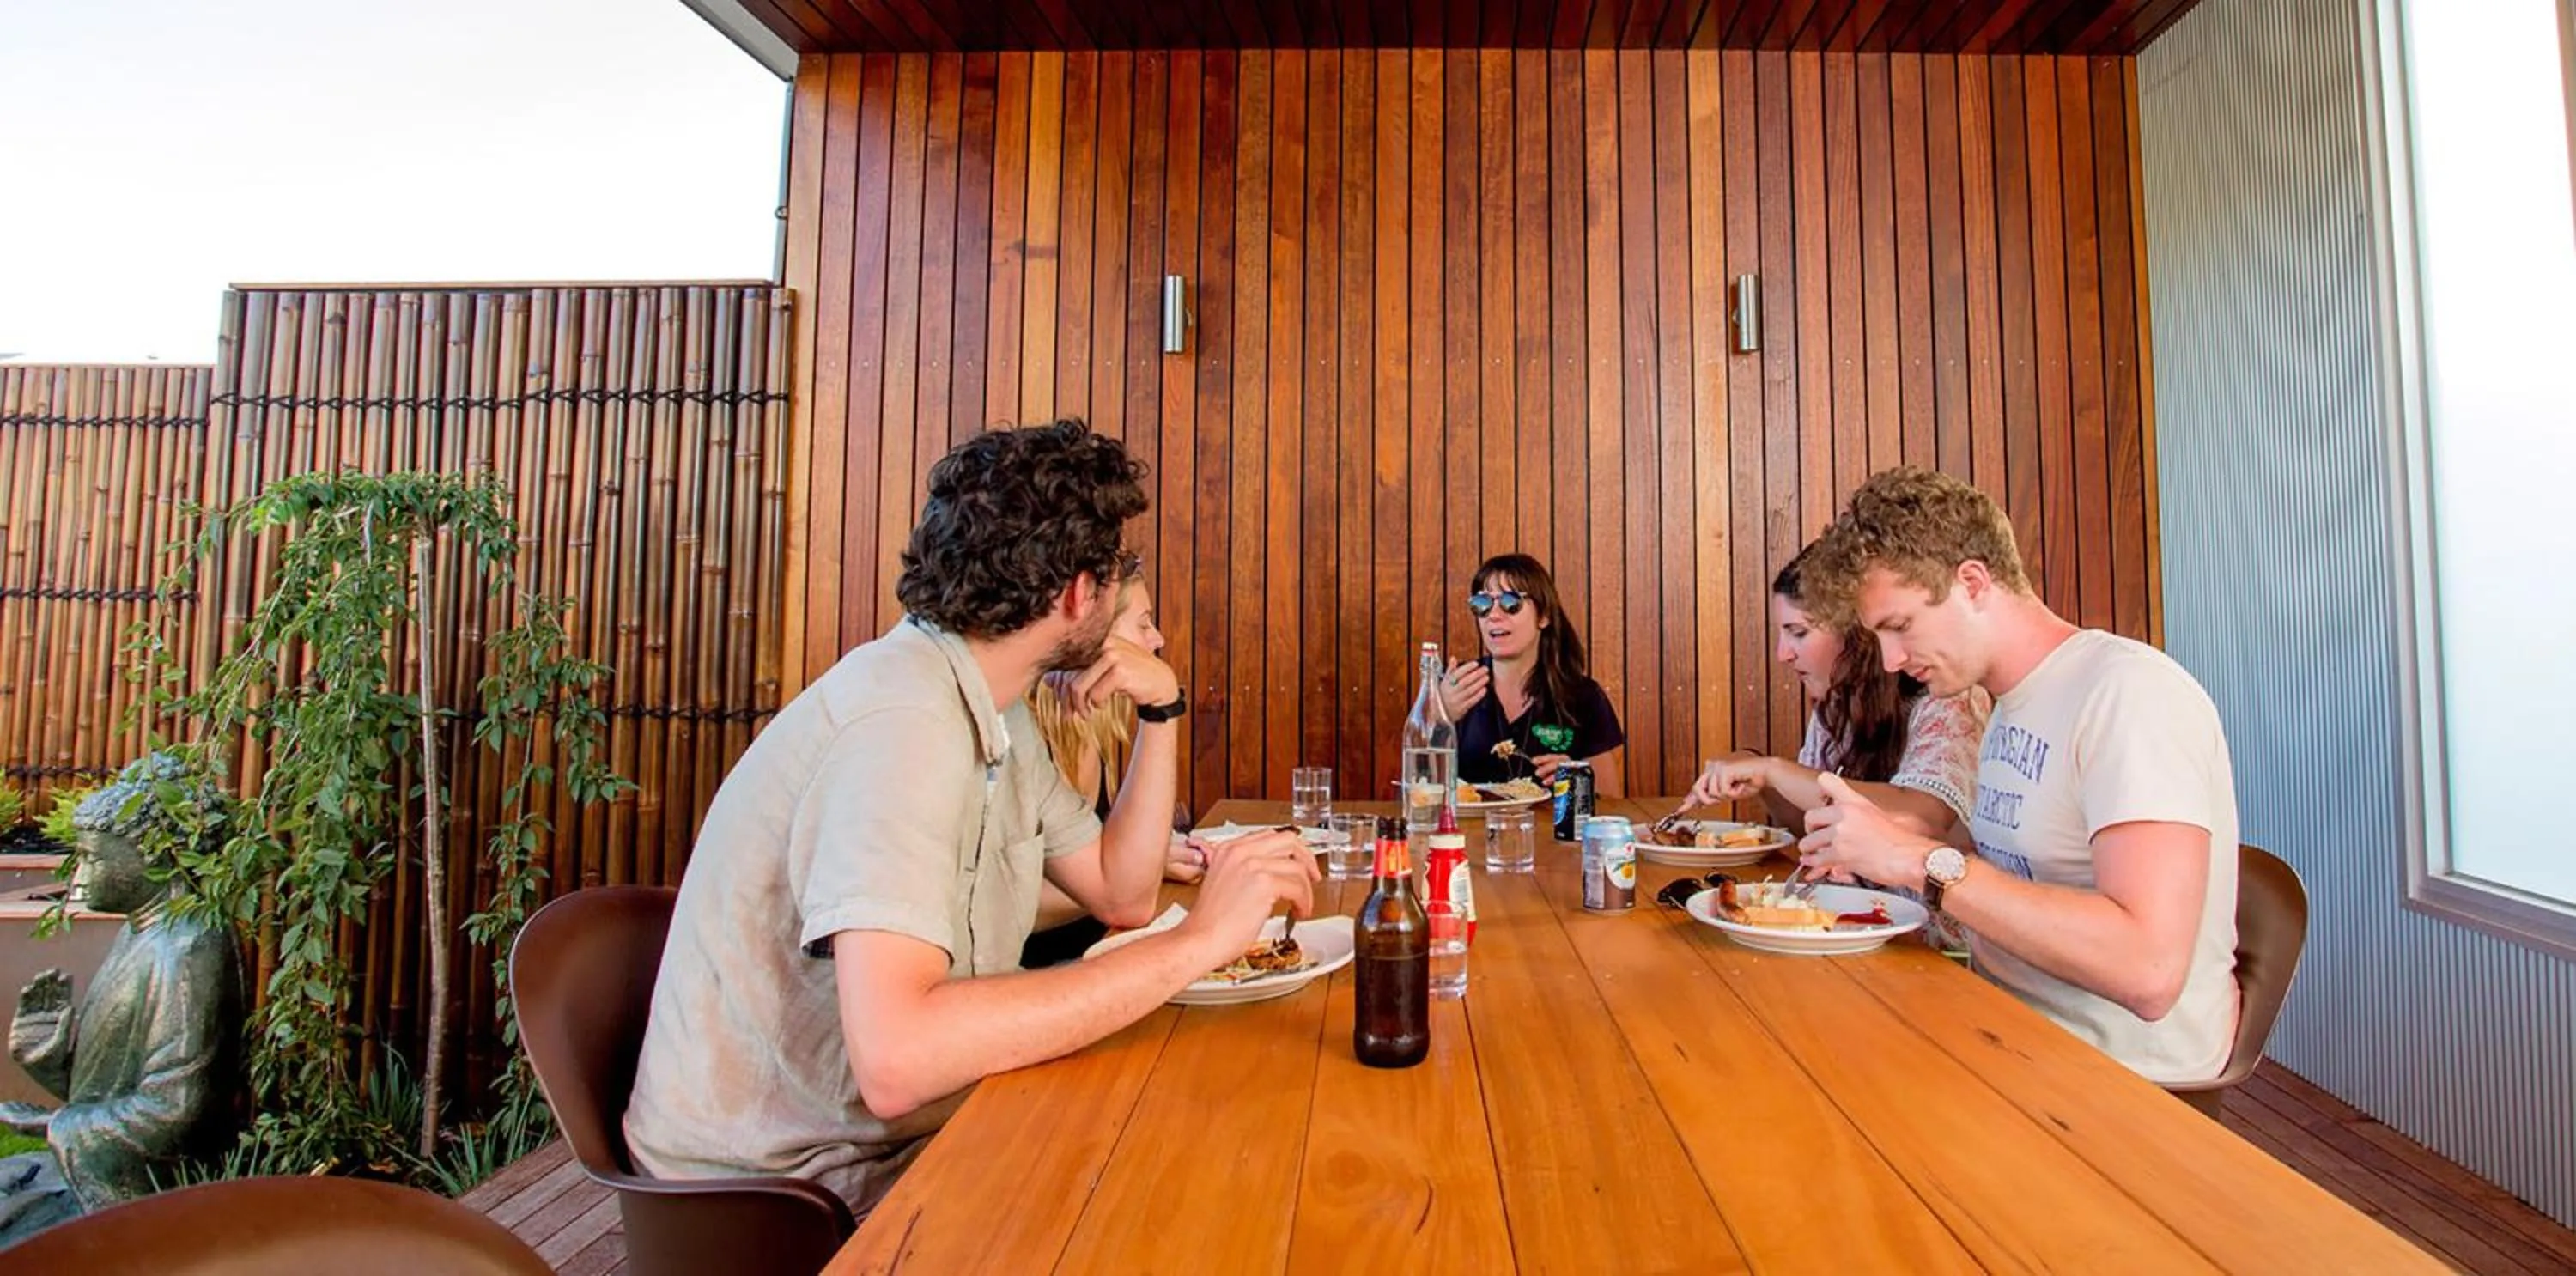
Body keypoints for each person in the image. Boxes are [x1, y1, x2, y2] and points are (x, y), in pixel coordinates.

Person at [623, 419, 1317, 1215]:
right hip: (781, 1189)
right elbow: (900, 1059)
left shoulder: (995, 707)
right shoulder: (902, 724)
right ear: (1078, 595)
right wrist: (1199, 941)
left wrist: (1163, 709)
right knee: (1196, 1178)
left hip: (885, 1130)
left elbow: (1119, 895)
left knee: (1207, 1123)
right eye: (1115, 567)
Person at [1791, 466, 2240, 1085]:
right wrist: (1877, 851)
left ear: (1972, 582)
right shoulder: (2012, 704)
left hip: (2116, 1082)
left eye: (1899, 627)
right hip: (1996, 1023)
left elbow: (2148, 970)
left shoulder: (2129, 693)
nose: (1892, 660)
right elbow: (2025, 881)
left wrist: (1920, 861)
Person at [1680, 547, 1990, 841]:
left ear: (1858, 634)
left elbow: (1923, 817)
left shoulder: (1947, 696)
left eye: (1798, 633)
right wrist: (1759, 777)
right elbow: (1811, 824)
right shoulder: (1838, 701)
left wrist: (1772, 770)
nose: (1782, 654)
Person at [1018, 578, 1205, 969]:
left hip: (1096, 959)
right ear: (1094, 631)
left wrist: (1143, 865)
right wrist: (1134, 873)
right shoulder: (1021, 734)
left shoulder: (1095, 727)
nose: (1157, 640)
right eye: (1143, 623)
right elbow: (988, 904)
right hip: (1032, 980)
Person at [1435, 553, 1626, 796]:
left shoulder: (1582, 696)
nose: (1493, 615)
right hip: (1466, 833)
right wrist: (1440, 719)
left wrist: (1576, 779)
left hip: (1549, 833)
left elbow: (1612, 800)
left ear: (1544, 615)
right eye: (1482, 604)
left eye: (1510, 602)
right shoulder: (1455, 684)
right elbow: (1414, 789)